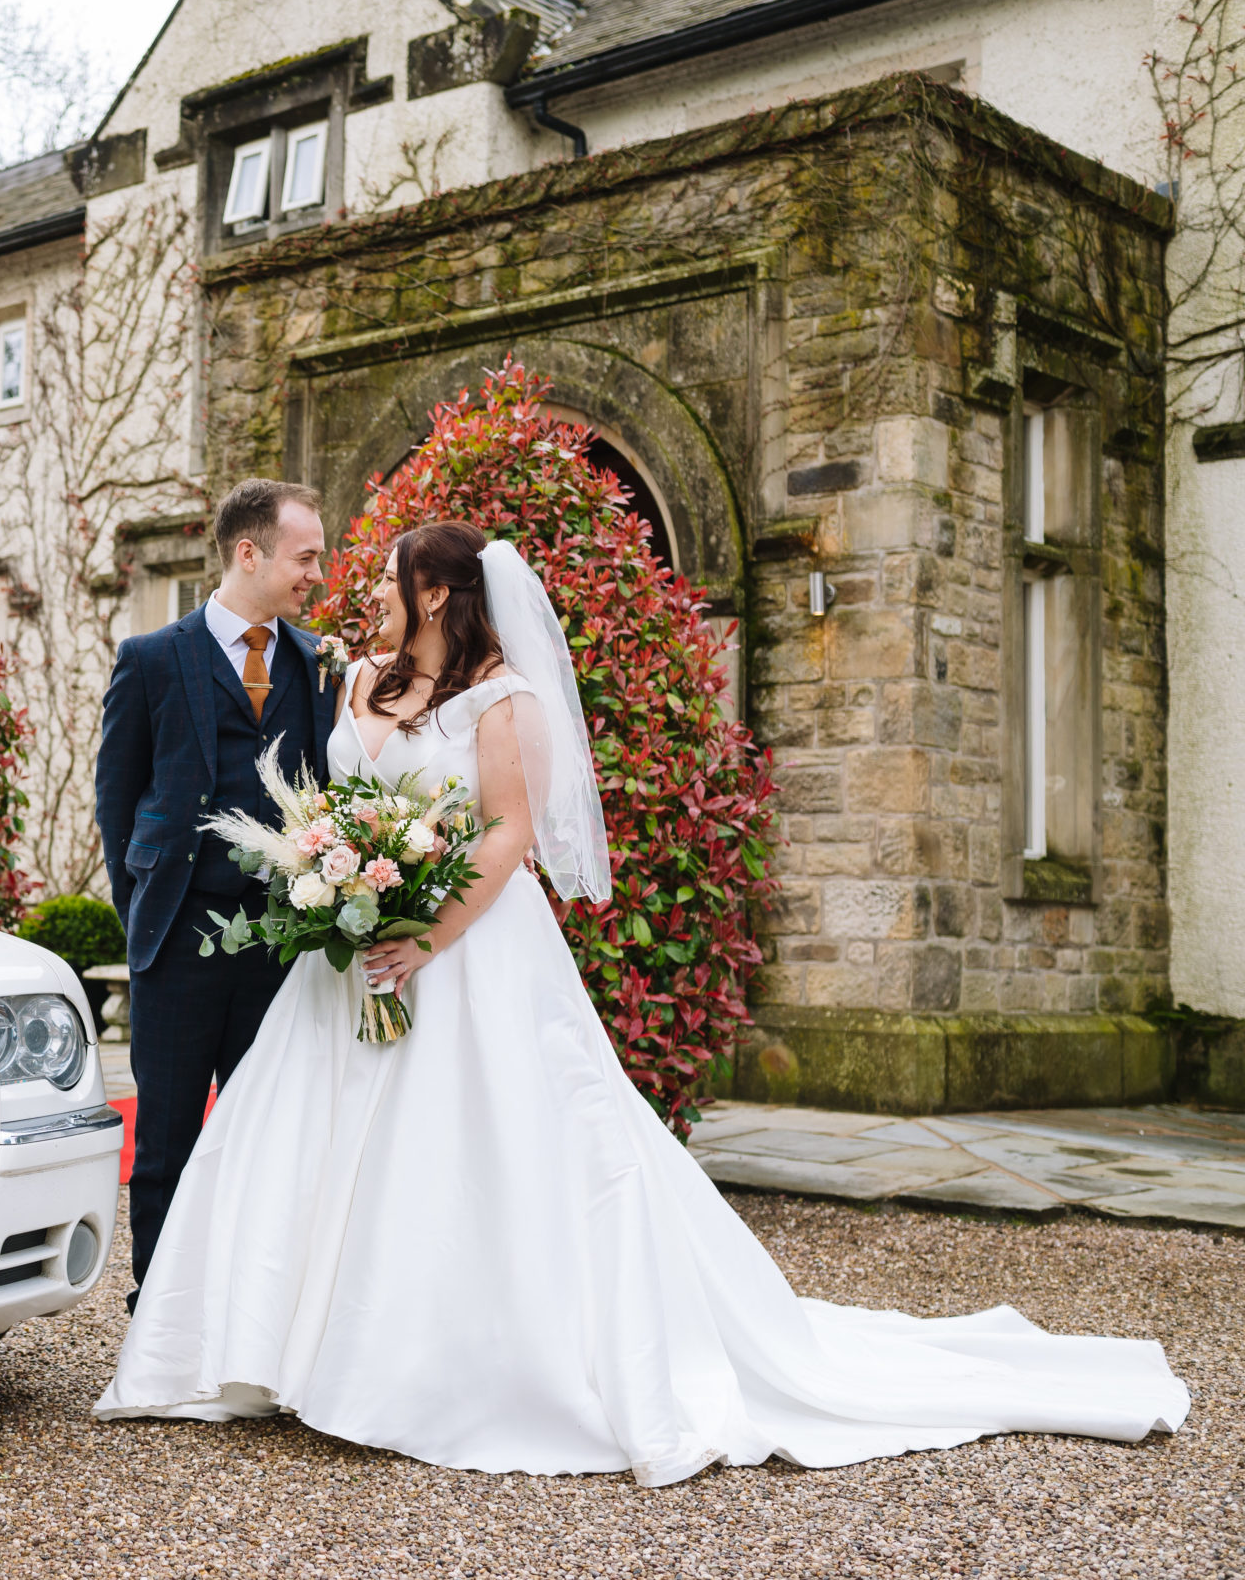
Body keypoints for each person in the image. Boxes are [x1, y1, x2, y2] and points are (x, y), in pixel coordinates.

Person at [95, 520, 1189, 1484]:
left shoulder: (501, 696)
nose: (366, 587)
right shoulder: (355, 679)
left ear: (434, 590)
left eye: (387, 574)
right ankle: (272, 1349)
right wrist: (336, 881)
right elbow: (324, 797)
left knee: (476, 1151)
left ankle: (447, 1363)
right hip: (344, 960)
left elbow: (508, 833)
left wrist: (423, 935)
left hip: (465, 951)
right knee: (305, 1144)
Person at [96, 480, 337, 1310]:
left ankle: (245, 1304)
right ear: (249, 552)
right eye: (306, 555)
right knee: (164, 1135)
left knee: (265, 1130)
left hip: (281, 943)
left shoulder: (315, 663)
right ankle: (160, 1307)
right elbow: (115, 800)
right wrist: (143, 923)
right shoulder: (153, 658)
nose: (317, 571)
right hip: (178, 935)